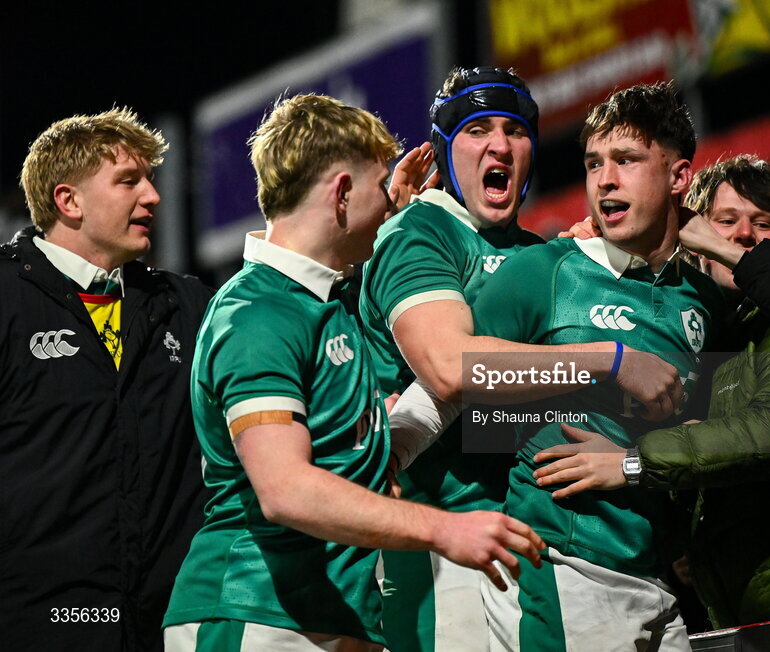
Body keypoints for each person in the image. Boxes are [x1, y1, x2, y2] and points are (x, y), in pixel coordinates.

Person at [161, 94, 545, 652]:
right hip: (253, 616)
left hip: (331, 619)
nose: (391, 204)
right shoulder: (258, 314)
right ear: (342, 193)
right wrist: (443, 527)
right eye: (378, 186)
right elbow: (286, 491)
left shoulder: (325, 304)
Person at [359, 67, 681, 651]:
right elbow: (450, 368)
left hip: (525, 540)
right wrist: (609, 359)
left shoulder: (540, 257)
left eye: (516, 130)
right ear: (442, 149)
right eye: (478, 129)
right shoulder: (421, 230)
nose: (500, 145)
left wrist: (632, 457)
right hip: (441, 540)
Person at [532, 155, 770, 628]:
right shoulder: (704, 332)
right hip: (749, 604)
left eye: (763, 223)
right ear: (693, 238)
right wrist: (591, 272)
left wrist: (630, 462)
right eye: (725, 221)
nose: (743, 234)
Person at [449, 81, 723, 650]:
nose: (604, 180)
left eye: (626, 160)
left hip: (661, 581)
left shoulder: (704, 300)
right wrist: (398, 445)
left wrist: (630, 463)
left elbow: (727, 428)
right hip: (562, 566)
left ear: (679, 178)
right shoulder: (544, 270)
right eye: (594, 163)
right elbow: (454, 377)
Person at [0, 108, 211, 652]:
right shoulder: (6, 298)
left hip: (166, 623)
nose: (153, 197)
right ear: (69, 201)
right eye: (128, 181)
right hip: (39, 624)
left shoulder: (184, 304)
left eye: (150, 179)